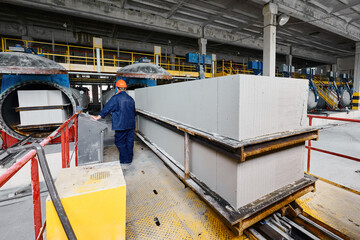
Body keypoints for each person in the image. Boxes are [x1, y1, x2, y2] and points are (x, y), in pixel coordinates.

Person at [91, 80, 135, 164]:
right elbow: (133, 112)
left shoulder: (115, 98)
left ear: (117, 88)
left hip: (120, 125)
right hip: (131, 125)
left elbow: (107, 108)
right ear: (125, 88)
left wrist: (98, 117)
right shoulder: (131, 99)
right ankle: (129, 159)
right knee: (129, 141)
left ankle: (124, 160)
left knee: (119, 141)